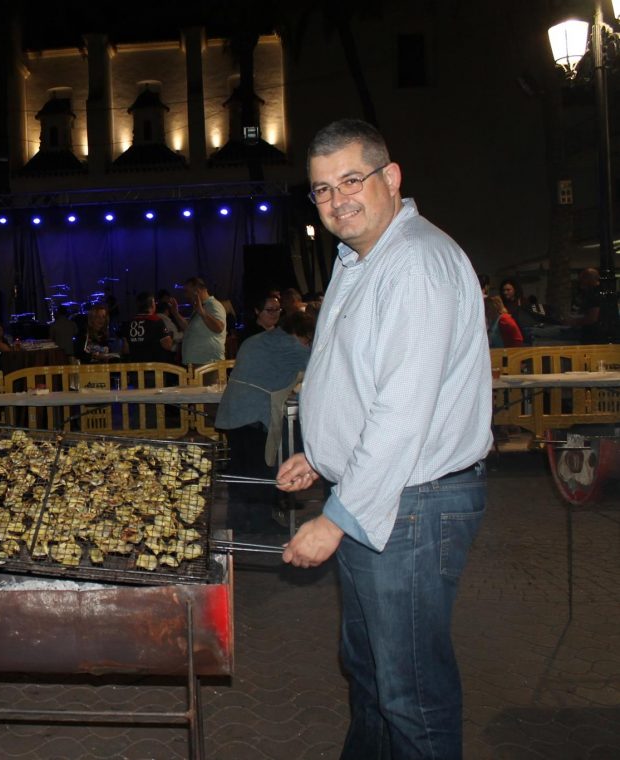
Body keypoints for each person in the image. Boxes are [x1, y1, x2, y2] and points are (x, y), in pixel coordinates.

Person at [277, 119, 491, 758]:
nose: (338, 199)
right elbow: (358, 379)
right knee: (370, 675)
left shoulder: (415, 263)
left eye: (351, 180)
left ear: (390, 179)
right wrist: (320, 454)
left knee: (411, 695)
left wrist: (335, 520)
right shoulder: (362, 257)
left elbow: (401, 414)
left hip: (413, 506)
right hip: (386, 495)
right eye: (321, 189)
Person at [216, 310, 314, 534]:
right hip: (255, 414)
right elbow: (317, 371)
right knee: (260, 473)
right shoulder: (293, 347)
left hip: (232, 410)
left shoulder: (254, 340)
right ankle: (260, 525)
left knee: (239, 470)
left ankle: (236, 523)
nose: (307, 344)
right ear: (301, 335)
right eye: (307, 340)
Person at [172, 277, 226, 367]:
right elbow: (188, 328)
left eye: (187, 292)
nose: (186, 296)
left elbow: (219, 327)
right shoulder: (201, 307)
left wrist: (202, 312)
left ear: (197, 291)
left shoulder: (214, 305)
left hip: (208, 364)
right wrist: (176, 313)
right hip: (197, 363)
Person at [122, 292, 174, 363]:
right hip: (153, 368)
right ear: (152, 304)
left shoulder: (129, 323)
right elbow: (168, 345)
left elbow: (126, 350)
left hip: (135, 368)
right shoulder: (156, 321)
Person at [565, 267, 605, 344]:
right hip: (595, 332)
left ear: (588, 279)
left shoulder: (594, 294)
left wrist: (573, 322)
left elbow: (592, 318)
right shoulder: (601, 291)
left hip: (592, 334)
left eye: (582, 279)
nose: (581, 282)